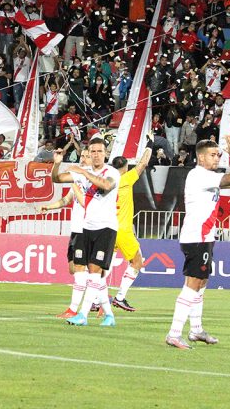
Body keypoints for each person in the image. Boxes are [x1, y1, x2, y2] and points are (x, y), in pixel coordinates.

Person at [166, 136, 230, 349]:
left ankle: (196, 330)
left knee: (201, 283)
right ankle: (174, 333)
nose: (217, 158)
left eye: (218, 154)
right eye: (212, 154)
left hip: (204, 237)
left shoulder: (207, 175)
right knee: (192, 284)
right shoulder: (199, 175)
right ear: (200, 157)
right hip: (196, 237)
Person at [62, 137, 121, 327]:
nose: (96, 155)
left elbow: (106, 185)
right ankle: (109, 315)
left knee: (94, 271)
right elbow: (57, 178)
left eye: (99, 151)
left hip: (106, 227)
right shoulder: (84, 173)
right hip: (87, 227)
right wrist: (56, 165)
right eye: (92, 152)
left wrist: (83, 173)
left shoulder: (112, 172)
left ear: (105, 153)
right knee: (94, 274)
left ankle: (83, 314)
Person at [41, 146, 91, 318]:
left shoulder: (93, 180)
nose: (83, 159)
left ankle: (74, 309)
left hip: (87, 229)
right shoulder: (77, 180)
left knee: (80, 269)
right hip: (76, 229)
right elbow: (65, 199)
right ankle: (99, 298)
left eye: (87, 156)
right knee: (73, 269)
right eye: (81, 156)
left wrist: (76, 183)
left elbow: (86, 203)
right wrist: (49, 206)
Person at [109, 140, 153, 312]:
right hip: (123, 230)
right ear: (125, 167)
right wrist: (149, 144)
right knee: (137, 262)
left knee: (104, 266)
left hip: (109, 228)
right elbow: (143, 163)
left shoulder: (107, 181)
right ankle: (120, 297)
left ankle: (96, 298)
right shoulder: (125, 179)